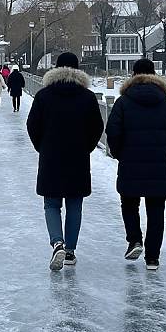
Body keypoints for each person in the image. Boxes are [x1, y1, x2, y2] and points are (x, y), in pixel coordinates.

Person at [105, 58, 166, 271]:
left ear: (133, 75)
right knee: (156, 209)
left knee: (129, 203)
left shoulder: (123, 102)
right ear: (155, 74)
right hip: (159, 164)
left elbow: (112, 131)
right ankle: (152, 257)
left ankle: (134, 240)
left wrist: (119, 153)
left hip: (130, 163)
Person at [27, 52, 104, 271]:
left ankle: (57, 242)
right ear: (78, 70)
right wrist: (85, 147)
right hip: (77, 158)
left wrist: (42, 147)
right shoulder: (87, 97)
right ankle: (70, 250)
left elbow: (32, 125)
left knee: (51, 204)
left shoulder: (44, 95)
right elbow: (97, 128)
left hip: (51, 157)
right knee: (74, 204)